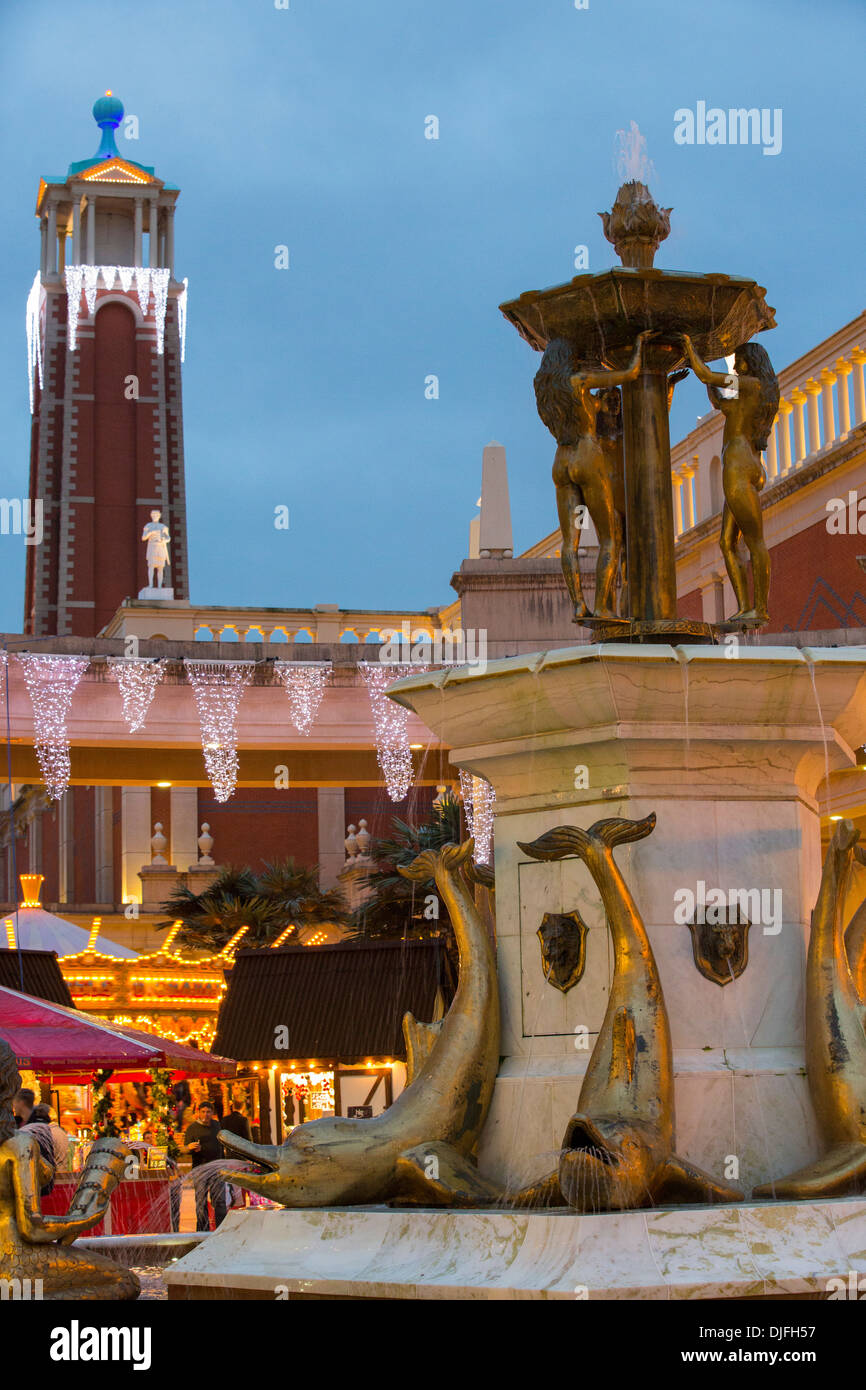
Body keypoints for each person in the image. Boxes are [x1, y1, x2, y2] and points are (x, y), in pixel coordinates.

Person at [678, 334, 779, 626]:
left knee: (754, 540)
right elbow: (719, 399)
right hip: (742, 465)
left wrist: (690, 345)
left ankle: (759, 608)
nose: (735, 366)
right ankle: (746, 607)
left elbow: (708, 375)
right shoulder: (747, 395)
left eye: (739, 360)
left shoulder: (752, 385)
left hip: (738, 465)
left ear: (749, 361)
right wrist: (705, 371)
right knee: (726, 542)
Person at [182, 1101, 227, 1231]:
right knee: (200, 1202)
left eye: (208, 1112)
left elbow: (223, 1146)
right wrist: (190, 1147)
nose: (206, 1115)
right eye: (203, 1112)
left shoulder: (218, 1126)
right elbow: (185, 1148)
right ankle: (202, 1231)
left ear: (212, 1113)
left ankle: (221, 1230)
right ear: (198, 1112)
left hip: (216, 1169)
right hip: (200, 1170)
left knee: (220, 1202)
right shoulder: (192, 1128)